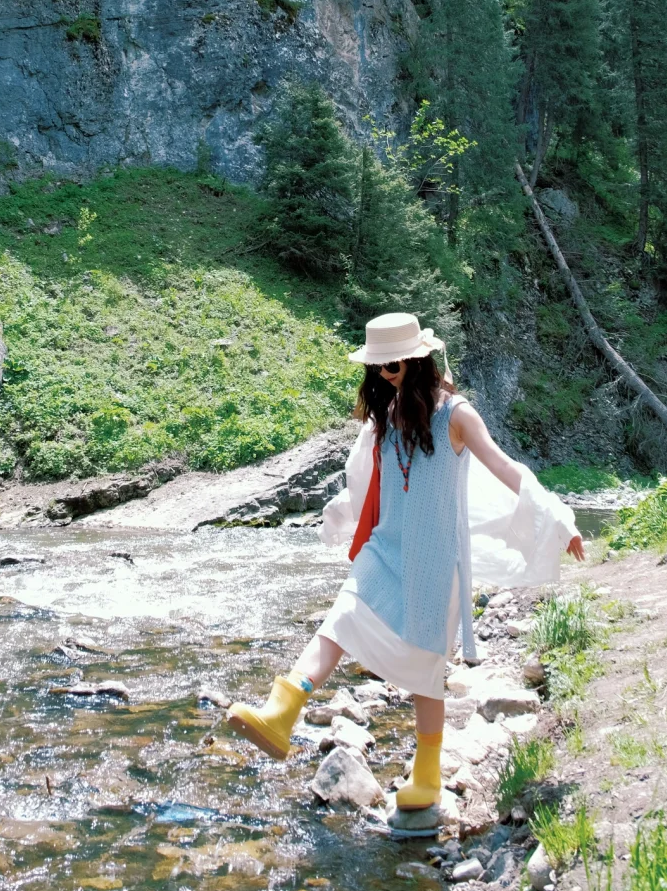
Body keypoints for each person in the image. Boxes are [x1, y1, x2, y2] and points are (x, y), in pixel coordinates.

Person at [226, 311, 584, 809]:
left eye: (392, 367)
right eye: (378, 368)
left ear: (418, 360)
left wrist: (558, 518)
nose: (384, 376)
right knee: (340, 619)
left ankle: (428, 775)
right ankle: (281, 712)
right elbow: (364, 476)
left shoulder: (456, 414)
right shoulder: (388, 415)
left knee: (423, 669)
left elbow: (504, 465)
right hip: (385, 545)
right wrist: (342, 515)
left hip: (434, 559)